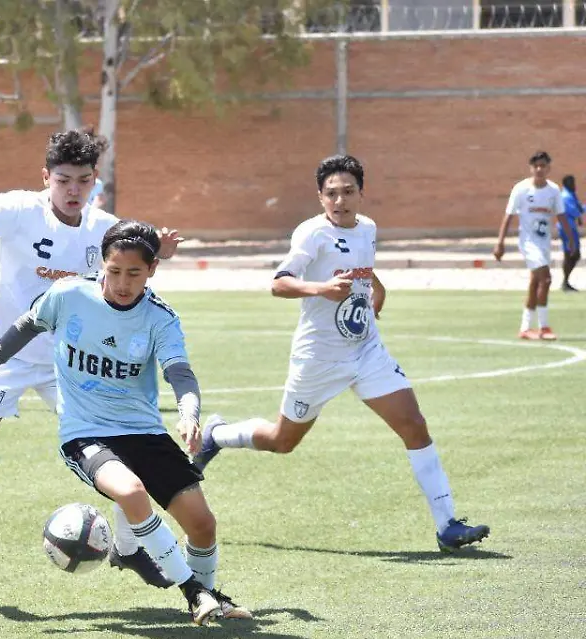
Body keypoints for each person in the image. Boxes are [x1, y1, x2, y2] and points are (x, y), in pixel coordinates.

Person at [0, 220, 248, 624]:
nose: (123, 283)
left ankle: (210, 597)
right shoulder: (69, 294)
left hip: (144, 433)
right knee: (131, 491)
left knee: (203, 524)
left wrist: (188, 412)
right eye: (114, 271)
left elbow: (179, 372)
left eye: (134, 273)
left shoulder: (160, 317)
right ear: (102, 265)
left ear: (152, 270)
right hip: (85, 434)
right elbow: (21, 330)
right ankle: (194, 592)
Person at [193, 154, 490, 554]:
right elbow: (278, 283)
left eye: (348, 191)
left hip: (366, 350)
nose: (340, 200)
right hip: (319, 357)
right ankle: (218, 434)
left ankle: (447, 525)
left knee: (414, 425)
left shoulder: (367, 228)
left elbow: (361, 265)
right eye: (331, 193)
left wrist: (376, 290)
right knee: (283, 440)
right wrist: (321, 289)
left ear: (361, 194)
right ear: (320, 197)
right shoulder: (310, 235)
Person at [0, 129, 180, 568]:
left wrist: (163, 253)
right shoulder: (19, 211)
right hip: (3, 353)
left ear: (94, 180)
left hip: (71, 363)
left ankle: (128, 547)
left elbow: (135, 264)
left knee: (123, 451)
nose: (73, 190)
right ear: (46, 177)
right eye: (63, 179)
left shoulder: (104, 228)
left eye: (83, 180)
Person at [493, 151, 574, 339]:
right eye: (536, 166)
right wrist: (500, 243)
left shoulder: (553, 190)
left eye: (543, 166)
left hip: (544, 243)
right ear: (531, 168)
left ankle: (525, 327)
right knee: (546, 279)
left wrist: (570, 239)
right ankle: (544, 327)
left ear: (548, 168)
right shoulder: (521, 189)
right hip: (528, 243)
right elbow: (509, 216)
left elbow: (560, 215)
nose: (539, 169)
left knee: (535, 281)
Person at [558, 174, 581, 292]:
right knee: (571, 254)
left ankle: (566, 281)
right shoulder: (565, 196)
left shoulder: (571, 194)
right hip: (566, 228)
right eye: (572, 183)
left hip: (572, 228)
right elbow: (575, 211)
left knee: (575, 255)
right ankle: (565, 282)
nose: (574, 185)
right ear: (567, 184)